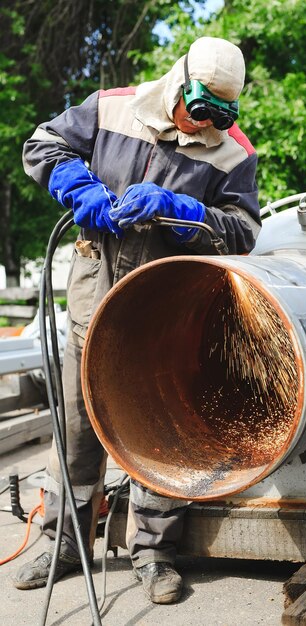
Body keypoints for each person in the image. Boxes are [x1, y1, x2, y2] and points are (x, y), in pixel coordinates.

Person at [13, 36, 261, 604]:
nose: (203, 131)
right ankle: (65, 541)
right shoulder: (110, 107)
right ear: (178, 85)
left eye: (219, 120)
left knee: (159, 429)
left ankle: (153, 552)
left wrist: (186, 211)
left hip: (166, 311)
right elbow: (43, 143)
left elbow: (243, 230)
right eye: (198, 114)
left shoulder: (234, 152)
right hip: (94, 291)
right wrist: (78, 186)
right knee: (79, 424)